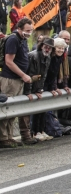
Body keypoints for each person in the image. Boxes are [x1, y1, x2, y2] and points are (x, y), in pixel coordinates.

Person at [0, 18, 34, 147]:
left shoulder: (23, 40)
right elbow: (9, 61)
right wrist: (23, 75)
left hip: (18, 79)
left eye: (31, 30)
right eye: (27, 30)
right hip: (10, 79)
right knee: (7, 108)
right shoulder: (13, 39)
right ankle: (3, 138)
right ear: (19, 28)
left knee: (13, 110)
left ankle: (9, 136)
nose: (29, 33)